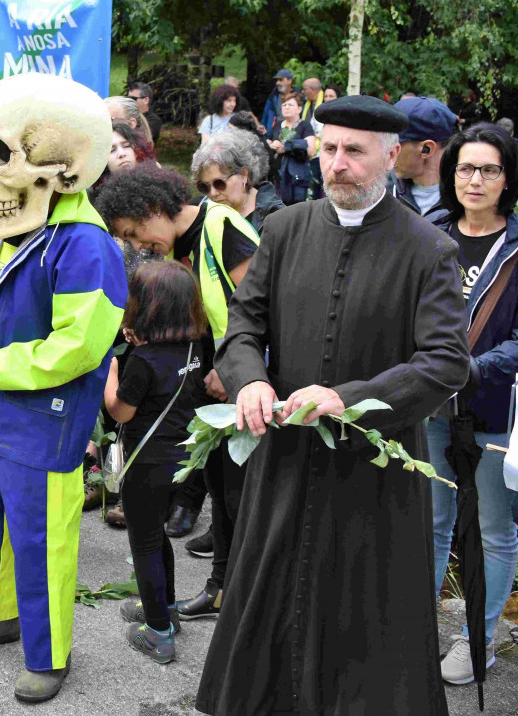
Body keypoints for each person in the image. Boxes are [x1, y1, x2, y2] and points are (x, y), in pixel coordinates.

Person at [195, 95, 470, 716]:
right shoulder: (284, 229)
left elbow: (445, 362)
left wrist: (347, 399)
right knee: (273, 602)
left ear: (391, 158)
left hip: (374, 474)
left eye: (354, 151)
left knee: (363, 618)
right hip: (285, 460)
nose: (337, 163)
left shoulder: (429, 249)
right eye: (329, 148)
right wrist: (248, 381)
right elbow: (243, 327)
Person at [0, 73, 125, 701]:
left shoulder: (87, 245)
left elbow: (82, 345)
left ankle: (49, 653)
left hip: (41, 418)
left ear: (63, 168)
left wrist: (3, 367)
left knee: (42, 539)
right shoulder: (5, 223)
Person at [92, 163, 260, 619]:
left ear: (153, 207)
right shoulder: (178, 247)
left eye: (134, 232)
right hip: (214, 394)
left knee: (236, 498)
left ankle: (237, 597)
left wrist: (234, 367)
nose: (137, 246)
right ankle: (220, 589)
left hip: (241, 388)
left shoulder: (221, 226)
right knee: (221, 493)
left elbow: (263, 304)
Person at [427, 123, 518, 684]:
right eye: (465, 168)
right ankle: (414, 627)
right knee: (432, 520)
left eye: (489, 169)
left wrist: (475, 368)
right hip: (430, 403)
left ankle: (478, 639)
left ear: (507, 178)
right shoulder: (430, 232)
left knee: (491, 529)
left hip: (493, 408)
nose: (475, 179)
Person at [106, 260, 209, 664]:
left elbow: (121, 411)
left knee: (145, 543)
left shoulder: (142, 360)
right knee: (158, 536)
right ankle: (166, 610)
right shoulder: (195, 350)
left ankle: (158, 633)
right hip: (183, 462)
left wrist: (110, 374)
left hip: (146, 465)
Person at [192, 128, 284, 233]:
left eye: (219, 183)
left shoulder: (276, 218)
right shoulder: (202, 210)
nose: (212, 193)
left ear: (243, 174)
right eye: (204, 186)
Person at [392, 96, 458, 221]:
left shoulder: (467, 199)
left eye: (395, 146)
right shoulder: (383, 191)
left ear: (426, 149)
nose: (388, 153)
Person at [267, 91, 318, 204]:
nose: (286, 107)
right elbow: (267, 142)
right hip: (278, 175)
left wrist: (287, 147)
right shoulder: (278, 125)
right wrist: (272, 145)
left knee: (298, 207)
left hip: (298, 176)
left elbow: (311, 150)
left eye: (290, 105)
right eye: (284, 105)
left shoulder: (305, 125)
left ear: (299, 109)